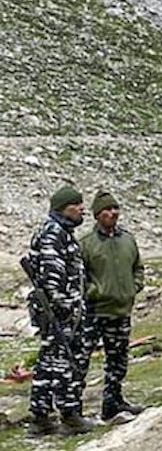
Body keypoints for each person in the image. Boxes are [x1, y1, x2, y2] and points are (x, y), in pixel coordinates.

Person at [25, 186, 94, 437]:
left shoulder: (61, 232)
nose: (82, 209)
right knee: (64, 360)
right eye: (77, 205)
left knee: (49, 360)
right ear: (64, 208)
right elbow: (52, 276)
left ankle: (41, 415)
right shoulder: (54, 234)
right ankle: (69, 414)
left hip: (60, 309)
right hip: (58, 311)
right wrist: (66, 307)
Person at [77, 191, 147, 420]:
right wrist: (93, 292)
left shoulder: (128, 239)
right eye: (107, 210)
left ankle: (113, 402)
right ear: (97, 215)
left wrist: (134, 286)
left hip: (121, 310)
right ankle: (73, 408)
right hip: (95, 311)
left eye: (115, 208)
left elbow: (138, 266)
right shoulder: (86, 244)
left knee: (118, 360)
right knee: (81, 359)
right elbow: (80, 276)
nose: (113, 213)